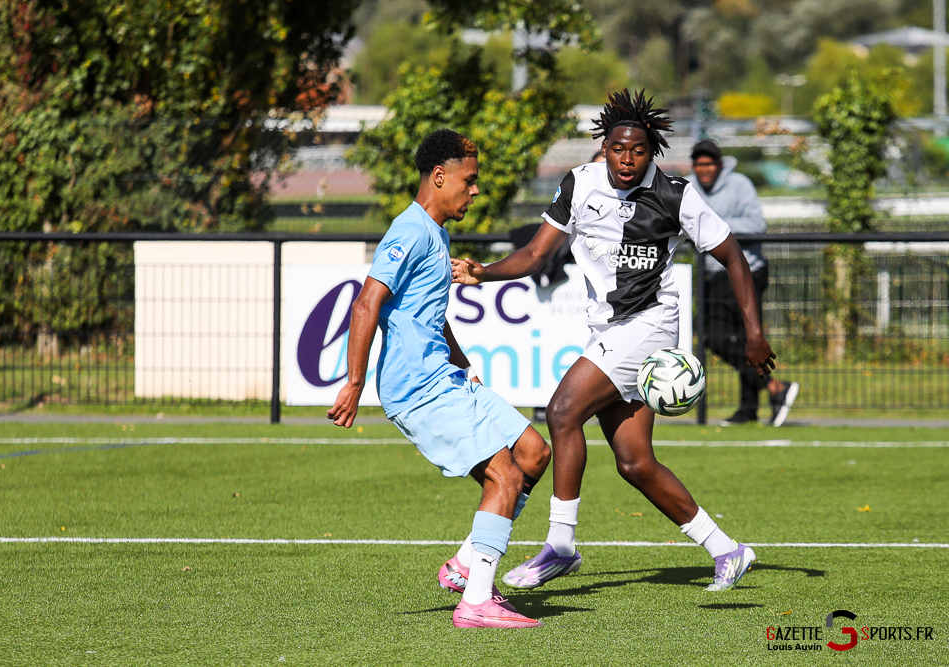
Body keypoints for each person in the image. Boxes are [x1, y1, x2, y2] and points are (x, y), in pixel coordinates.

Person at [452, 89, 776, 593]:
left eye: (639, 151)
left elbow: (732, 255)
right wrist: (483, 272)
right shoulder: (578, 185)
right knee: (634, 462)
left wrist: (754, 332)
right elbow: (537, 256)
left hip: (648, 327)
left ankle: (560, 545)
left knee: (561, 412)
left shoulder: (674, 194)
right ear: (604, 146)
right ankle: (727, 550)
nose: (627, 160)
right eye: (618, 148)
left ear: (652, 152)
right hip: (608, 328)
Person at [327, 129, 552, 628]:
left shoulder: (437, 232)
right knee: (505, 475)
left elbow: (427, 311)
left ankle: (468, 563)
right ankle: (476, 601)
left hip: (446, 377)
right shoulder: (408, 231)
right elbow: (367, 303)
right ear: (439, 176)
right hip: (418, 387)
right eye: (469, 181)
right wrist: (354, 381)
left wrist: (461, 360)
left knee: (534, 452)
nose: (475, 191)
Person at [688, 139, 799, 427]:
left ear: (720, 164)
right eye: (699, 164)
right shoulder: (687, 187)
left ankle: (754, 404)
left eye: (709, 163)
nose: (704, 169)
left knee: (739, 337)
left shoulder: (740, 184)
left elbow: (757, 224)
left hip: (747, 270)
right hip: (712, 273)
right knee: (716, 337)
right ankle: (769, 392)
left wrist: (714, 225)